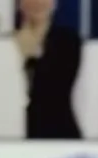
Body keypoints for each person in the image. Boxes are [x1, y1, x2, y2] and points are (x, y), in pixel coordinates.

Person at [16, 0, 82, 138]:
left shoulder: (67, 39)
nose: (37, 3)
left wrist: (31, 57)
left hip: (58, 131)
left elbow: (55, 89)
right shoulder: (9, 41)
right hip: (17, 131)